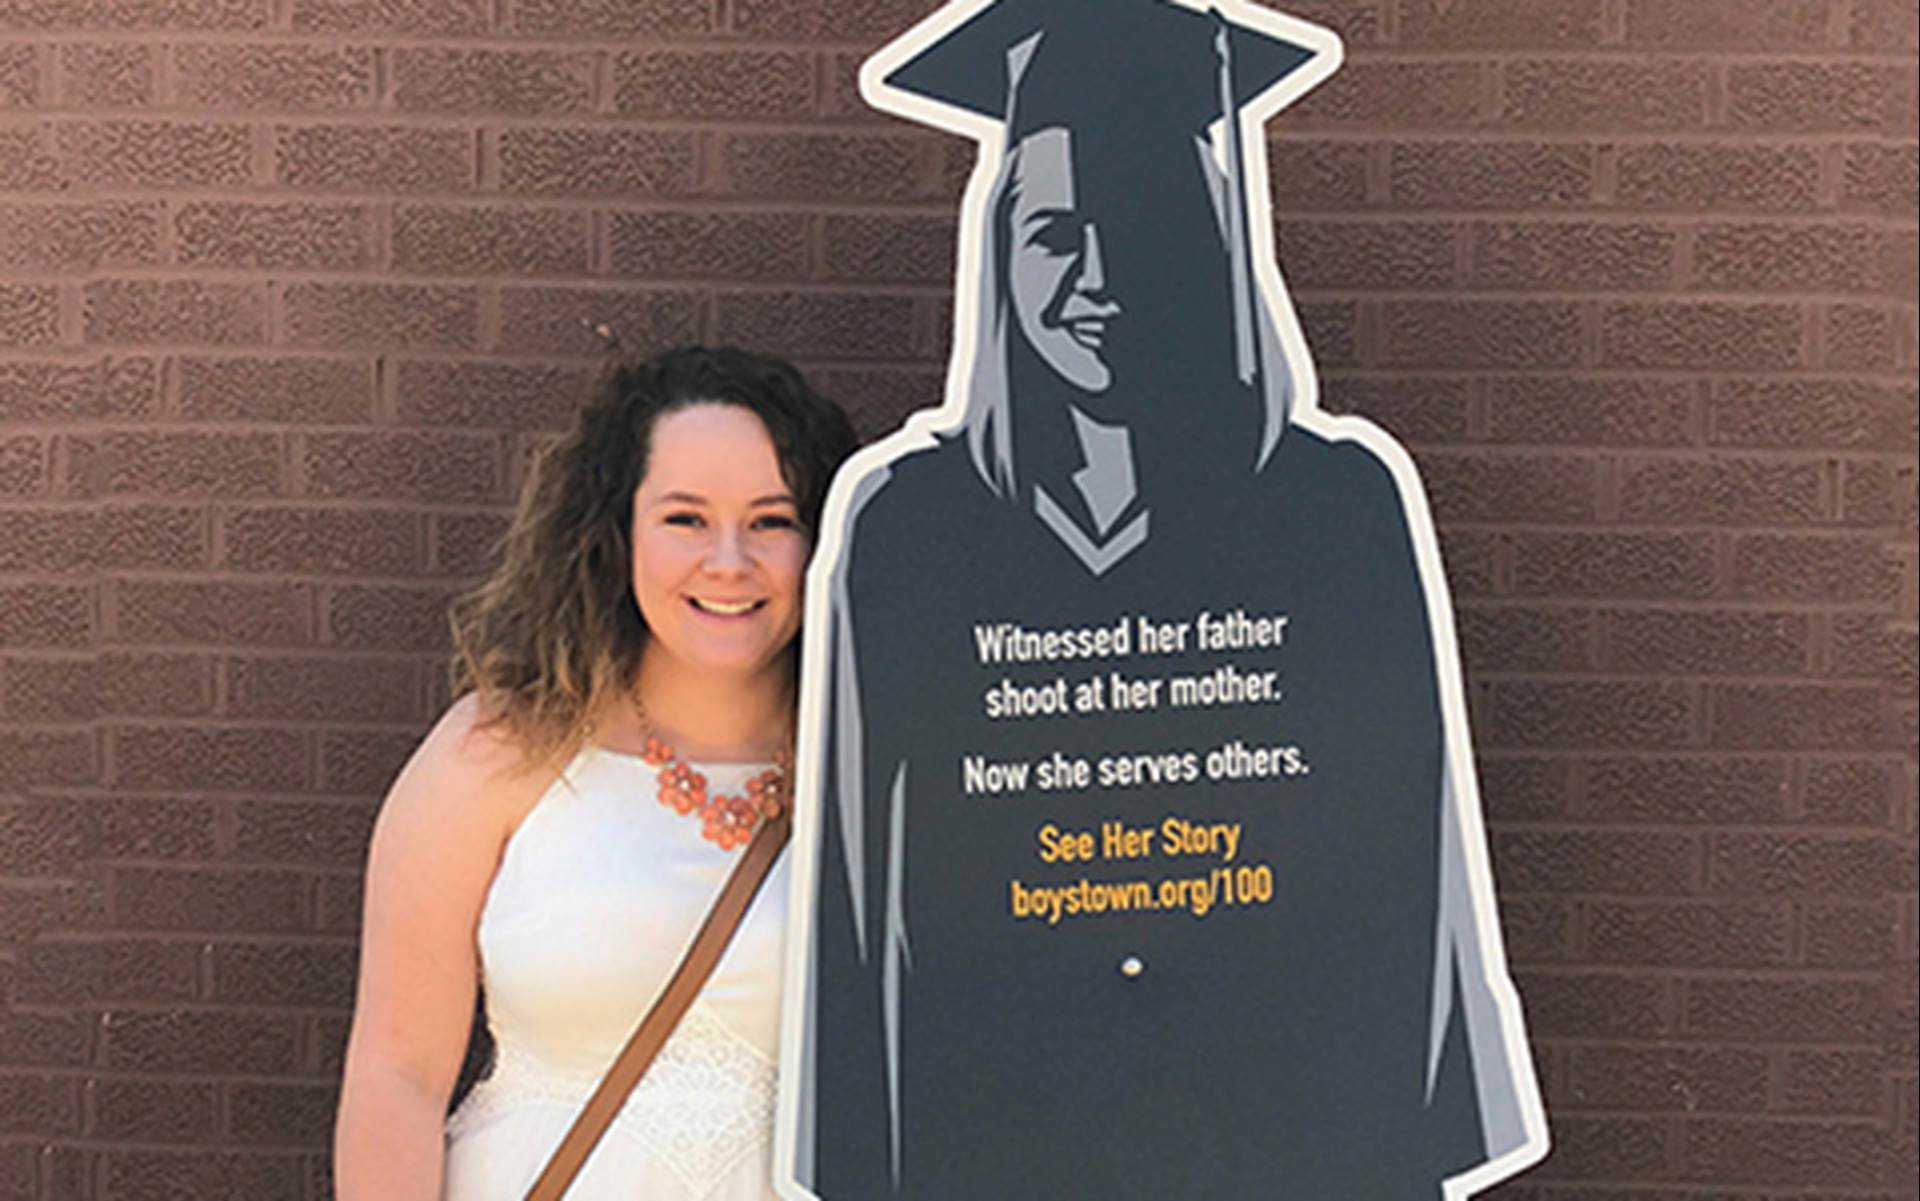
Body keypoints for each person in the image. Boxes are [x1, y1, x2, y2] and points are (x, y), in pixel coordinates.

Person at [782, 3, 1546, 1199]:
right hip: (997, 1134)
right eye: (1053, 234)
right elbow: (865, 914)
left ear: (1207, 241)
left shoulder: (1332, 512)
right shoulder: (911, 527)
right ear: (1001, 256)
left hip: (1280, 1127)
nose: (1095, 277)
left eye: (1138, 226)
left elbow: (1403, 882)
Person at [333, 345, 858, 1201]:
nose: (729, 561)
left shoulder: (879, 769)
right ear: (617, 533)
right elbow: (398, 1072)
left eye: (772, 520)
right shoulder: (498, 750)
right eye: (685, 518)